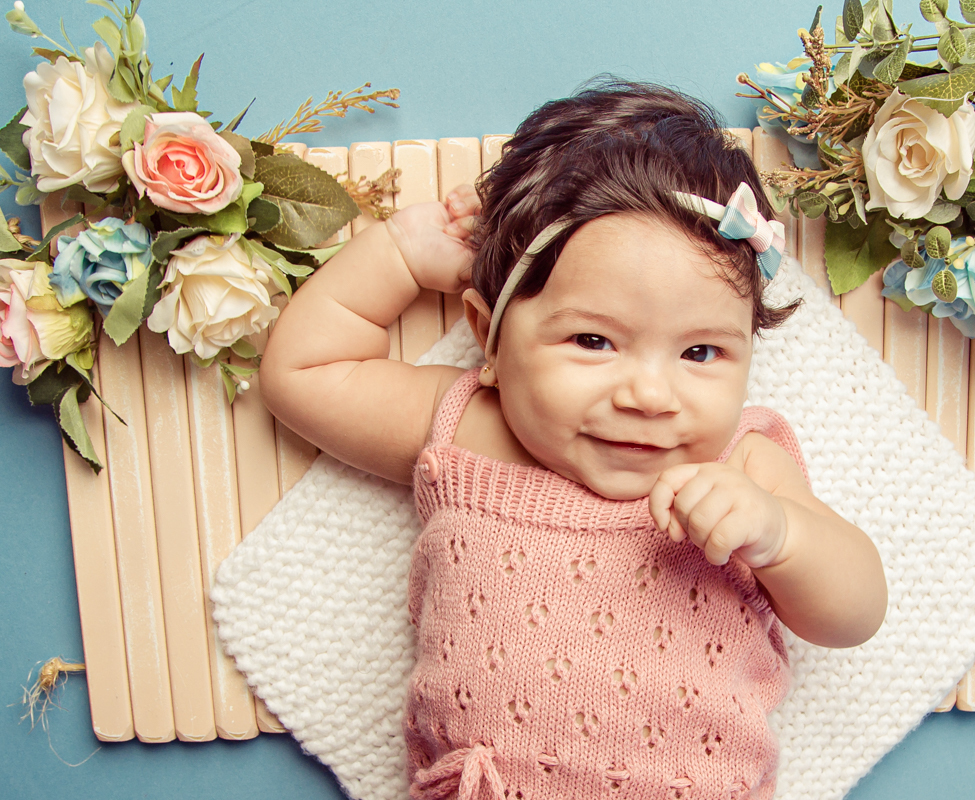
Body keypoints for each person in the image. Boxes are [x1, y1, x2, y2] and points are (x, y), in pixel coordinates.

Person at [259, 81, 886, 800]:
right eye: (594, 341)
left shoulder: (742, 464)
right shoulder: (470, 425)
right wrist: (401, 255)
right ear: (485, 337)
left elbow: (856, 612)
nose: (650, 396)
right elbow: (304, 373)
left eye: (701, 354)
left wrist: (781, 537)